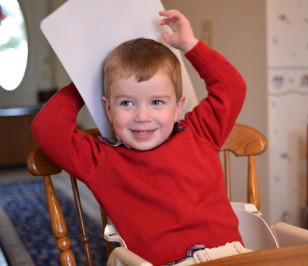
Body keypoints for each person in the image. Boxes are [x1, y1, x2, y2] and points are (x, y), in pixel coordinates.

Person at [32, 9, 246, 265]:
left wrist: (190, 45)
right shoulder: (100, 160)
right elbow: (48, 129)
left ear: (178, 106)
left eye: (157, 102)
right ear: (108, 109)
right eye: (126, 103)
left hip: (230, 257)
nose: (142, 116)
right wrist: (82, 82)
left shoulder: (199, 132)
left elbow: (232, 87)